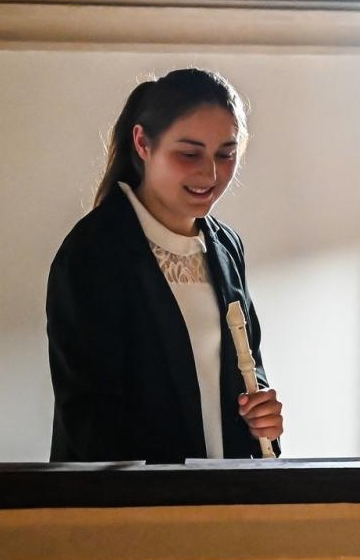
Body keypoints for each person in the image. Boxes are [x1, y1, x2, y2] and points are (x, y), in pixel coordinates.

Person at [47, 68, 283, 463]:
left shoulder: (226, 246)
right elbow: (90, 418)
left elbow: (244, 375)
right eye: (189, 153)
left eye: (226, 154)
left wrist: (263, 421)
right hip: (138, 506)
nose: (210, 173)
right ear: (142, 143)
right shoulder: (93, 250)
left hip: (225, 494)